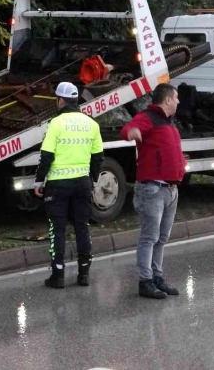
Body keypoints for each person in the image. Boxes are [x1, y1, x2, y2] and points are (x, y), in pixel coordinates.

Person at [34, 82, 104, 288]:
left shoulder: (55, 123)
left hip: (57, 184)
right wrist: (93, 179)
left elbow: (46, 156)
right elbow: (98, 157)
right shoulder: (91, 123)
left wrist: (39, 180)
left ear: (61, 100)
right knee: (82, 226)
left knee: (58, 229)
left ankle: (58, 276)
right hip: (82, 183)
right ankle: (84, 274)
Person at [120, 83, 185, 299]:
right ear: (167, 99)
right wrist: (132, 132)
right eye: (176, 97)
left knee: (162, 237)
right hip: (153, 189)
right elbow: (127, 129)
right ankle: (145, 281)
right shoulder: (148, 117)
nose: (178, 101)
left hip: (170, 189)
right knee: (150, 236)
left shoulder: (169, 121)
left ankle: (157, 276)